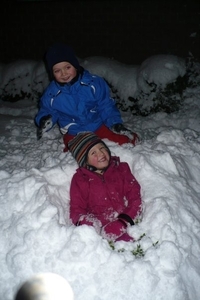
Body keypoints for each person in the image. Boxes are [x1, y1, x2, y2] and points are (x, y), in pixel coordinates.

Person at [35, 42, 139, 151]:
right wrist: (44, 119)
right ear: (52, 73)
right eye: (57, 71)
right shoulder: (52, 94)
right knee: (76, 153)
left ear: (75, 65)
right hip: (74, 131)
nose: (64, 73)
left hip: (98, 125)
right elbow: (48, 110)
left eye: (67, 67)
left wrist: (114, 123)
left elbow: (105, 105)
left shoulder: (93, 84)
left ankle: (133, 138)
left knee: (123, 141)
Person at [68, 131, 142, 242]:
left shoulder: (122, 169)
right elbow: (76, 209)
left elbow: (135, 198)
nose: (101, 154)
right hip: (98, 230)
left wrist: (124, 220)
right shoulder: (80, 180)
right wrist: (88, 224)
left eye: (102, 148)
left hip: (125, 222)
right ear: (84, 161)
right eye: (93, 153)